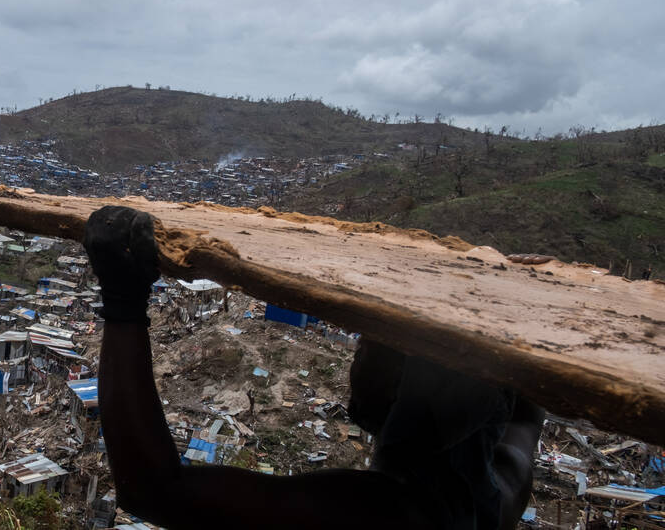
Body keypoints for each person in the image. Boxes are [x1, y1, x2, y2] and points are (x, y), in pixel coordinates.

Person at [84, 205, 544, 529]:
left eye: (381, 344)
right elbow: (523, 410)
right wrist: (511, 303)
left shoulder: (384, 514)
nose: (361, 350)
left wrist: (123, 301)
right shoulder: (495, 496)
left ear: (404, 400)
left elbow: (150, 491)